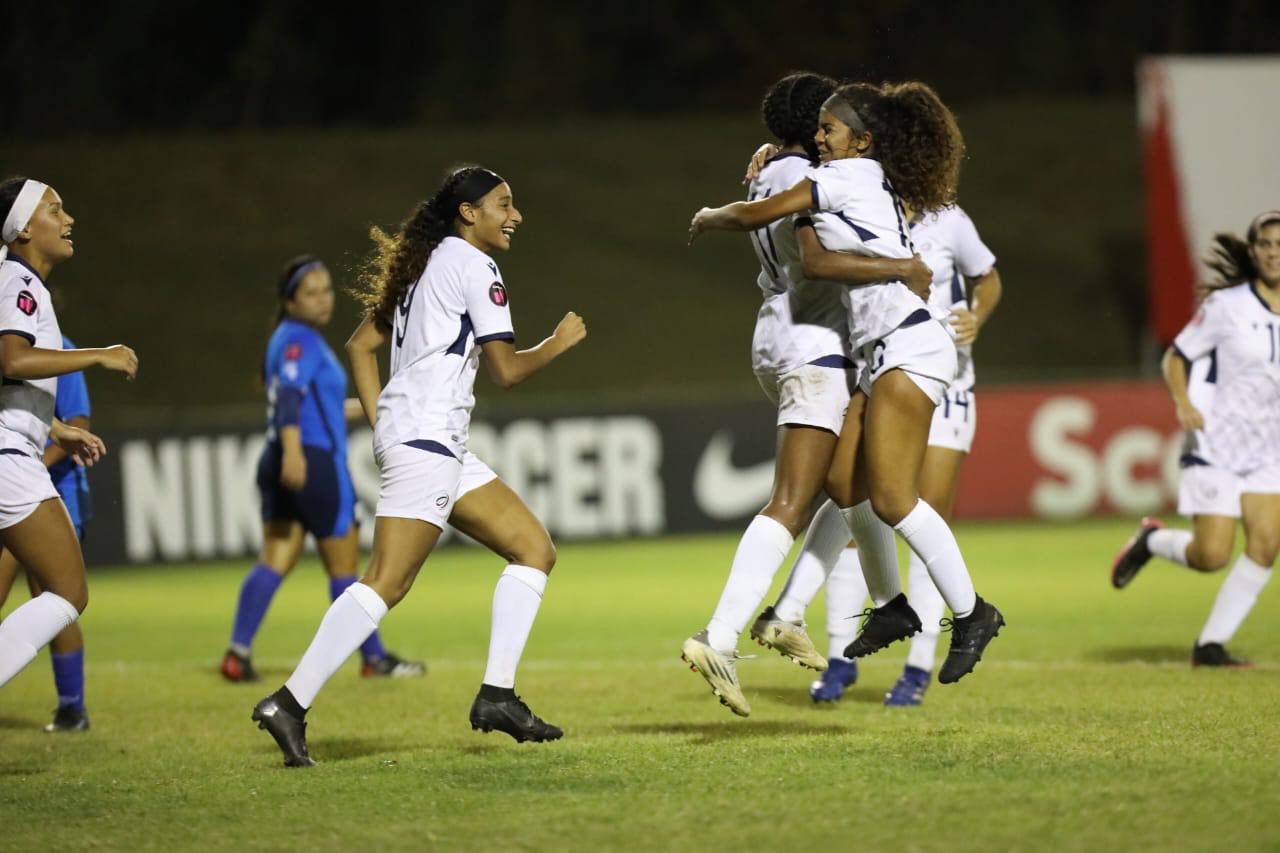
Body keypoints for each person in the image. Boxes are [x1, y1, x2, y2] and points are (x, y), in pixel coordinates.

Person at [252, 166, 586, 767]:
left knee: (534, 549)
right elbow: (505, 371)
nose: (516, 216)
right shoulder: (472, 265)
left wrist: (386, 424)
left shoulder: (424, 267)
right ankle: (288, 702)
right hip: (427, 441)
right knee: (387, 581)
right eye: (504, 204)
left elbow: (359, 347)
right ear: (468, 212)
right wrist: (559, 343)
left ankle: (498, 695)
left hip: (435, 442)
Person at [689, 81, 1004, 700]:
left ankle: (970, 613)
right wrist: (777, 155)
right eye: (819, 129)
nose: (822, 140)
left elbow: (782, 232)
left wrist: (711, 214)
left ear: (859, 141)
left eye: (830, 131)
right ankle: (883, 606)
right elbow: (812, 237)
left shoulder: (849, 175)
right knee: (846, 486)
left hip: (905, 346)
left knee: (890, 498)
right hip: (874, 350)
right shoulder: (851, 173)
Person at [765, 203, 1003, 706]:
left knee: (918, 510)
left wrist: (976, 316)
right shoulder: (864, 203)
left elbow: (989, 278)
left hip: (942, 374)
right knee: (852, 496)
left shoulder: (950, 219)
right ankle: (839, 658)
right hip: (877, 364)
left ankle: (918, 666)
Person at [221, 256, 425, 683]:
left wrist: (381, 408)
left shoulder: (286, 338)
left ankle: (237, 654)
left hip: (281, 457)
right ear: (290, 301)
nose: (322, 299)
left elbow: (320, 406)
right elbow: (292, 400)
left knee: (275, 559)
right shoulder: (301, 342)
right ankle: (373, 658)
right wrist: (296, 453)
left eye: (326, 290)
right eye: (310, 293)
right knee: (346, 570)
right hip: (311, 462)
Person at [1112, 210, 1280, 667]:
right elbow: (1177, 356)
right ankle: (1150, 542)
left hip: (1268, 449)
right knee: (1211, 555)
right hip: (1217, 443)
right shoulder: (1228, 305)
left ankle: (1209, 647)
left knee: (1266, 545)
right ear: (1254, 250)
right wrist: (1185, 402)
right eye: (1266, 244)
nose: (1273, 253)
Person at [0, 176, 137, 693]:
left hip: (13, 445)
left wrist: (53, 427)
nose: (68, 219)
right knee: (67, 591)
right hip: (9, 459)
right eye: (55, 211)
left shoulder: (13, 281)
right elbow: (12, 359)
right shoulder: (20, 283)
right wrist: (99, 354)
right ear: (24, 228)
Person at [0, 322, 94, 731]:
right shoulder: (8, 350)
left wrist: (29, 464)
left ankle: (73, 707)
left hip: (50, 487)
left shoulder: (60, 350)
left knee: (54, 595)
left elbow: (78, 423)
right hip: (12, 482)